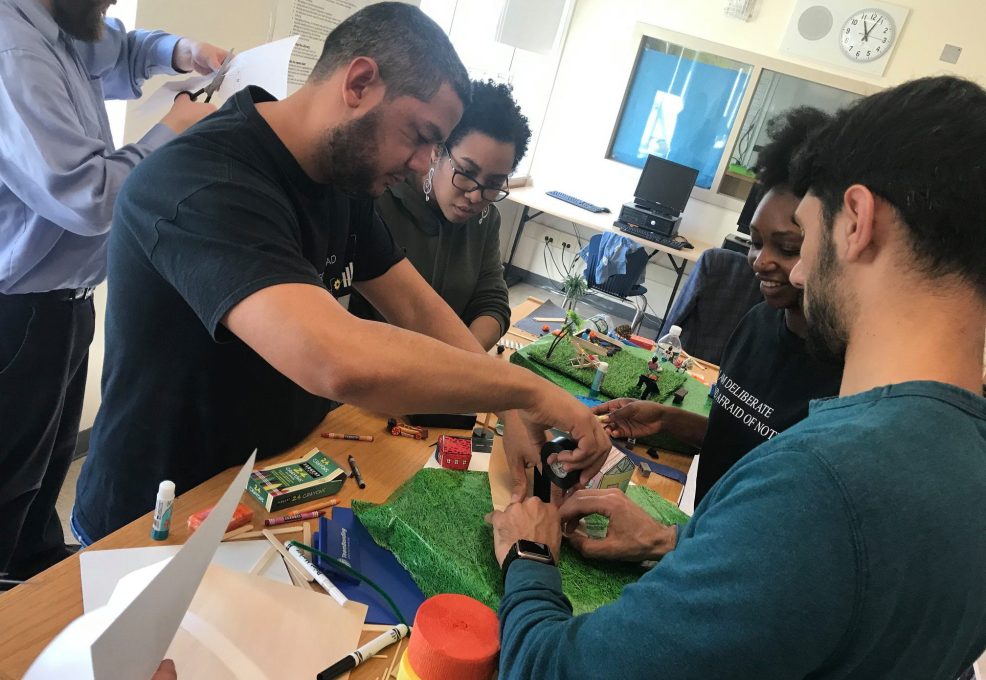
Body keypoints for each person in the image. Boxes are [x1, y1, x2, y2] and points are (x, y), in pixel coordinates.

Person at [488, 75, 986, 679]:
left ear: (856, 220)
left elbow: (552, 671)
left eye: (806, 236)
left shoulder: (817, 487)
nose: (797, 274)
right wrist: (675, 545)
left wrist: (530, 553)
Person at [71, 2, 610, 544]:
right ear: (359, 83)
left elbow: (418, 308)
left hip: (270, 488)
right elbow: (337, 359)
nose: (425, 163)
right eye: (421, 135)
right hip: (156, 517)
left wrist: (513, 406)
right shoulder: (202, 182)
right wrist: (527, 390)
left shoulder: (340, 180)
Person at [0, 0, 224, 578]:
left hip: (63, 307)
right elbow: (88, 196)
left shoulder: (58, 23)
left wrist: (179, 51)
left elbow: (116, 46)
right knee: (8, 487)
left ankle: (34, 578)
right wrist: (171, 131)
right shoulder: (13, 50)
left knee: (43, 476)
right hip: (19, 314)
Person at [595, 107, 843, 505]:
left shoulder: (845, 382)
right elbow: (740, 437)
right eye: (756, 242)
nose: (760, 262)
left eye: (788, 248)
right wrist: (667, 420)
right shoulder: (758, 323)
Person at [348, 79, 529, 351]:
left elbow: (491, 302)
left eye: (493, 184)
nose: (476, 195)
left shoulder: (486, 220)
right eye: (466, 173)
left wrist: (464, 361)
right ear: (436, 150)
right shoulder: (376, 200)